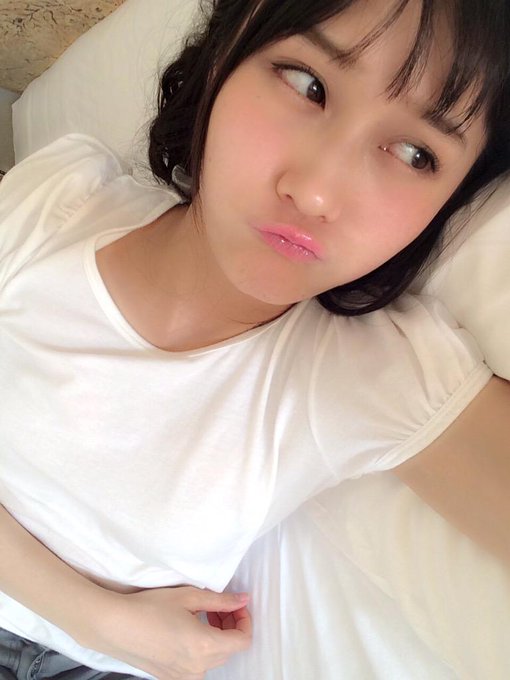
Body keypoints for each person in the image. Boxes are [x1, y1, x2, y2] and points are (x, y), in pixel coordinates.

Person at [0, 0, 509, 679]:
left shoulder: (367, 371)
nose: (317, 192)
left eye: (415, 154)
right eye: (307, 84)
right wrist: (99, 619)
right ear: (229, 49)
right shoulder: (59, 201)